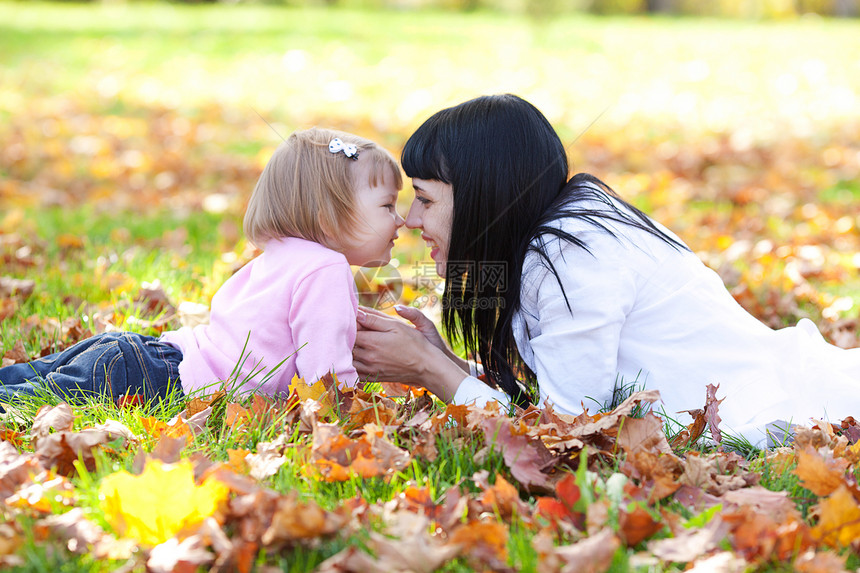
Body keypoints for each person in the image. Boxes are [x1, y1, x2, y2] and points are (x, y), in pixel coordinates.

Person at [352, 94, 860, 447]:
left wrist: (428, 370)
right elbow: (558, 392)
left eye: (423, 198)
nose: (410, 219)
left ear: (485, 196)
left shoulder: (574, 259)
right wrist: (453, 364)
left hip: (802, 405)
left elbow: (570, 430)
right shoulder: (555, 241)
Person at [1, 128, 404, 405]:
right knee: (20, 404)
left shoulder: (283, 254)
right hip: (152, 380)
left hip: (140, 354)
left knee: (18, 384)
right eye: (387, 206)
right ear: (328, 214)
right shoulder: (326, 269)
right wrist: (354, 417)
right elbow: (326, 381)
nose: (401, 220)